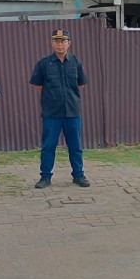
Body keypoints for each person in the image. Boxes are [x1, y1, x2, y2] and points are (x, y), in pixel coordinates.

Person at [30, 29, 90, 189]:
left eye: (63, 41)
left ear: (69, 43)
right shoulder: (44, 63)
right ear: (52, 43)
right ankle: (45, 177)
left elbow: (81, 84)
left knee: (75, 146)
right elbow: (37, 85)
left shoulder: (76, 62)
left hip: (72, 112)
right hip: (51, 113)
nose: (60, 44)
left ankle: (78, 175)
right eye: (56, 41)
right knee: (48, 146)